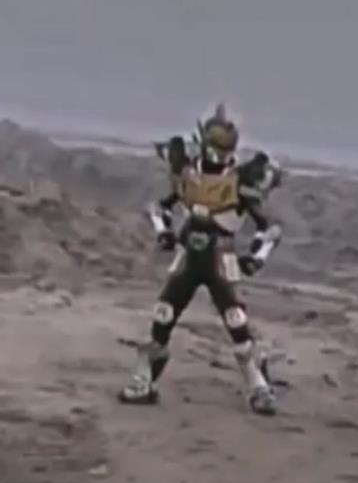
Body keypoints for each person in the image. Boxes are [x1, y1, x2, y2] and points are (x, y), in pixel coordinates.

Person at [119, 104, 284, 415]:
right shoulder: (188, 175)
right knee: (163, 315)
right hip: (189, 256)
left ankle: (258, 384)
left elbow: (269, 228)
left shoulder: (239, 181)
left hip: (220, 257)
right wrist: (163, 232)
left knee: (236, 322)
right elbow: (159, 207)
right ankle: (145, 379)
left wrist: (257, 256)